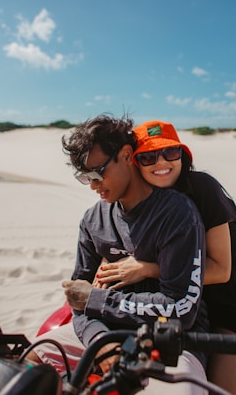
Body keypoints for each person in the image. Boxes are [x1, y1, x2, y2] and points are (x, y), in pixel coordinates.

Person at [29, 114, 209, 395]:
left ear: (126, 156)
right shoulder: (93, 220)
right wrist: (101, 339)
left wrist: (98, 300)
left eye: (98, 172)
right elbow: (78, 299)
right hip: (102, 335)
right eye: (85, 177)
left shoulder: (177, 214)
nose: (93, 184)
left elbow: (181, 308)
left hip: (172, 343)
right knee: (25, 366)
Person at [95, 120, 236, 395]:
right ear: (135, 162)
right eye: (149, 156)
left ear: (182, 155)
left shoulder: (202, 189)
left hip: (227, 306)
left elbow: (221, 270)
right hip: (175, 306)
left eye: (171, 153)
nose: (161, 162)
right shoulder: (139, 198)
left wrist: (146, 269)